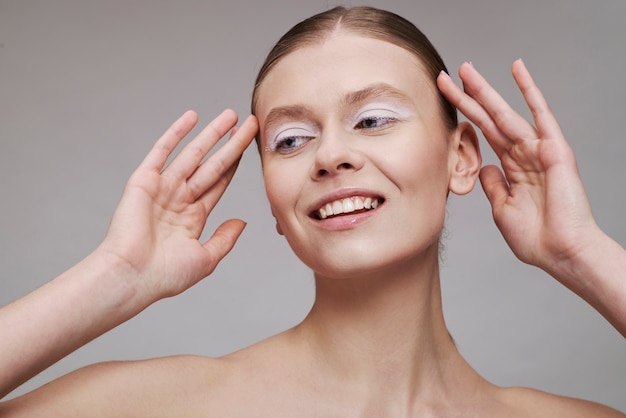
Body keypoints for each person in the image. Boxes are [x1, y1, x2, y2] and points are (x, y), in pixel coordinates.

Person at [0, 5, 624, 416]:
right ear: (273, 194)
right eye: (291, 140)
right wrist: (115, 277)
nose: (330, 156)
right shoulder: (166, 406)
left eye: (373, 120)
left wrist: (582, 253)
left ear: (461, 156)